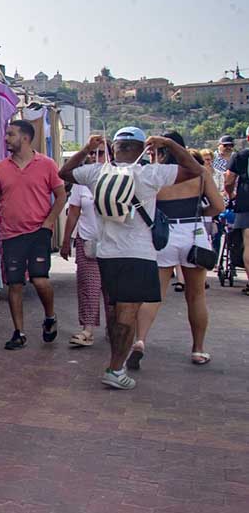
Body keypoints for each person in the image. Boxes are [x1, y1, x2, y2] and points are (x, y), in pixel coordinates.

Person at [61, 128, 204, 390]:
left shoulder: (97, 172)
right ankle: (115, 369)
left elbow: (65, 173)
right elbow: (195, 169)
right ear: (142, 150)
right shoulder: (149, 173)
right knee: (127, 314)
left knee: (117, 312)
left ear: (114, 148)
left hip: (107, 254)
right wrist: (169, 144)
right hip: (139, 254)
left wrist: (85, 150)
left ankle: (118, 364)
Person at [0, 119, 66, 350]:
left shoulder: (47, 164)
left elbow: (61, 196)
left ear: (25, 138)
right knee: (15, 284)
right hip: (11, 234)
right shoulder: (0, 168)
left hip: (38, 231)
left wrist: (49, 223)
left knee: (41, 280)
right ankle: (19, 332)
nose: (6, 138)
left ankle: (50, 317)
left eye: (10, 134)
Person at [131, 137, 223, 366]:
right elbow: (218, 206)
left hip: (164, 233)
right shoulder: (199, 173)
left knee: (154, 295)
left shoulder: (156, 174)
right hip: (194, 232)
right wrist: (201, 212)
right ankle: (198, 349)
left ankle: (140, 340)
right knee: (196, 295)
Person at [59, 144, 107, 347]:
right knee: (88, 287)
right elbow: (74, 213)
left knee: (113, 290)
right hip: (88, 241)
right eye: (92, 153)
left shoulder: (118, 176)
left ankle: (115, 328)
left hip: (115, 243)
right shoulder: (82, 181)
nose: (96, 157)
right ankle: (87, 329)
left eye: (101, 153)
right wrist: (66, 241)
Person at [224, 126, 249, 295]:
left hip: (246, 203)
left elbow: (228, 180)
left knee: (248, 244)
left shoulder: (240, 156)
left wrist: (232, 195)